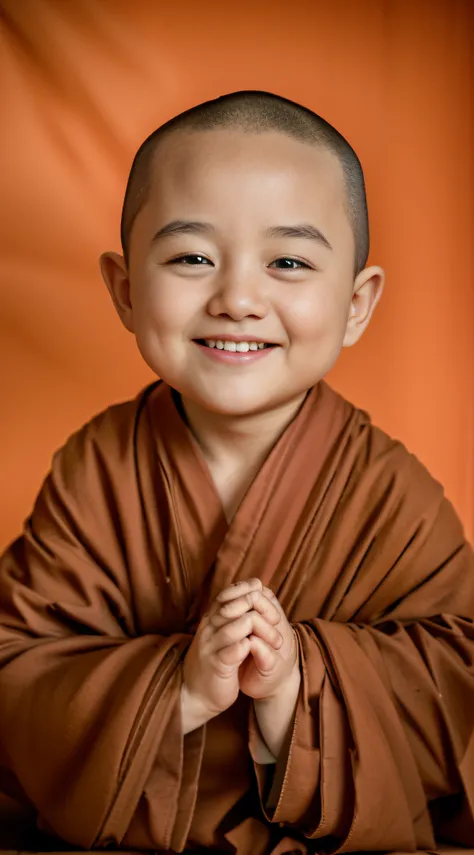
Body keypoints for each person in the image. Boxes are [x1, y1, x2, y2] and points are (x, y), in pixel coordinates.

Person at [0, 89, 473, 855]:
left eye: (287, 261)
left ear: (357, 303)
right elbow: (18, 669)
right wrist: (178, 688)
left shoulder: (393, 494)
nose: (239, 299)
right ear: (125, 289)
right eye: (192, 257)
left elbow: (456, 684)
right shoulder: (97, 467)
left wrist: (296, 685)